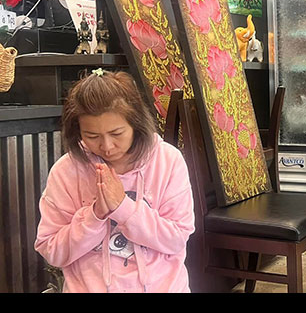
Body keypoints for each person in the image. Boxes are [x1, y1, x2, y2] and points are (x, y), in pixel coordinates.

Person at [35, 69, 195, 293]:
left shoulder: (167, 161)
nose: (107, 146)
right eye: (92, 136)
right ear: (77, 132)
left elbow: (176, 239)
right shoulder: (66, 171)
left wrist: (123, 208)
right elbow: (51, 250)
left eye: (117, 133)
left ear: (135, 124)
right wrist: (95, 215)